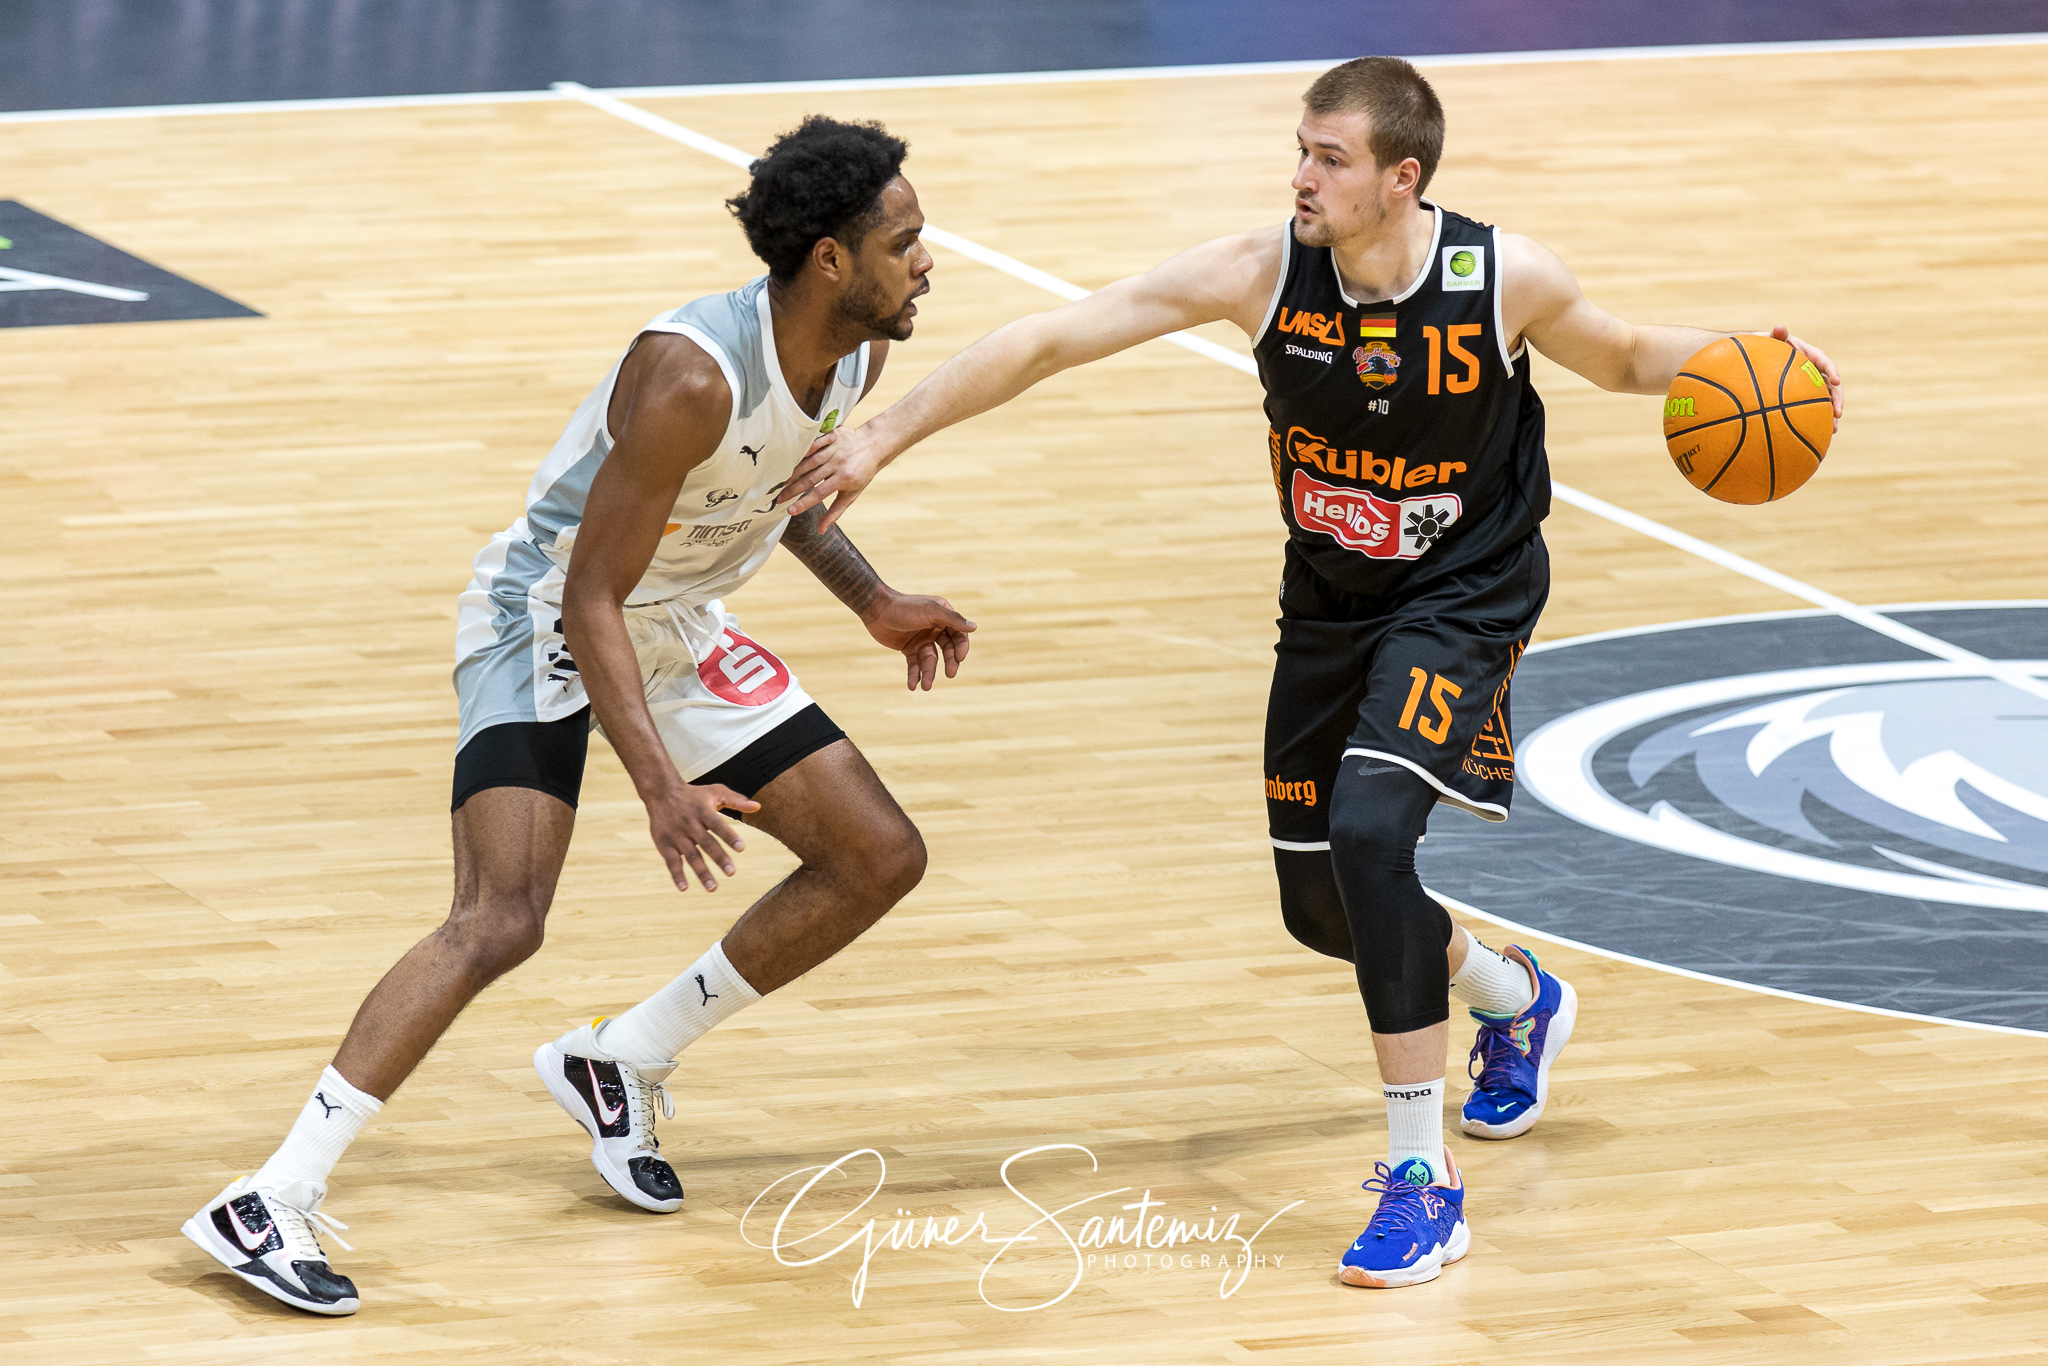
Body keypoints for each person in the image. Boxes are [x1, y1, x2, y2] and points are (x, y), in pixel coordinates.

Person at [778, 57, 1844, 1289]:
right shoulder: (1259, 271)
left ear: (1400, 178)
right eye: (1298, 148)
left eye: (1327, 158)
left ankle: (1418, 1183)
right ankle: (1513, 996)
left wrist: (1745, 356)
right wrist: (878, 434)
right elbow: (1054, 337)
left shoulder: (1500, 278)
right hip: (1329, 602)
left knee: (1373, 830)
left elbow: (1615, 357)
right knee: (1319, 906)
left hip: (1461, 596)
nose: (1298, 175)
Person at [182, 115, 975, 1316]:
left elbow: (781, 491)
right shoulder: (689, 374)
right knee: (500, 916)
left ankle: (622, 1058)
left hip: (677, 619)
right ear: (827, 258)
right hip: (545, 615)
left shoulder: (853, 355)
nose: (928, 259)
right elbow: (589, 589)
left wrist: (872, 598)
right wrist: (659, 788)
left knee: (876, 855)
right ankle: (271, 1196)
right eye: (906, 240)